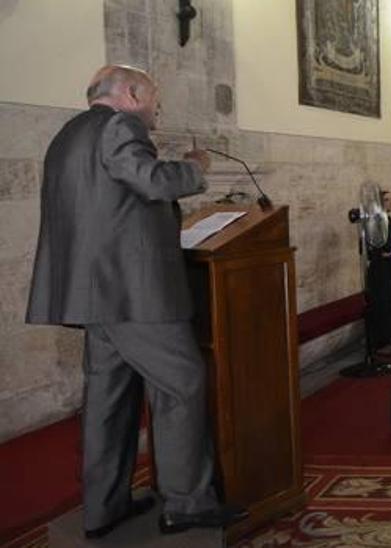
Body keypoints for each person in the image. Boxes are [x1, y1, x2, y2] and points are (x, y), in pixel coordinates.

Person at [25, 65, 244, 536]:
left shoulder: (67, 135)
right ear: (129, 93)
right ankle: (187, 503)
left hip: (95, 296)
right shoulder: (119, 125)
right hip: (135, 294)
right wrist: (195, 166)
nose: (158, 106)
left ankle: (105, 507)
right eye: (154, 96)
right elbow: (150, 180)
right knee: (182, 383)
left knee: (109, 400)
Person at [366, 189, 391, 354]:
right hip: (380, 269)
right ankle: (381, 342)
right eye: (387, 200)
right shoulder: (374, 222)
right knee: (382, 302)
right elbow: (372, 249)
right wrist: (386, 253)